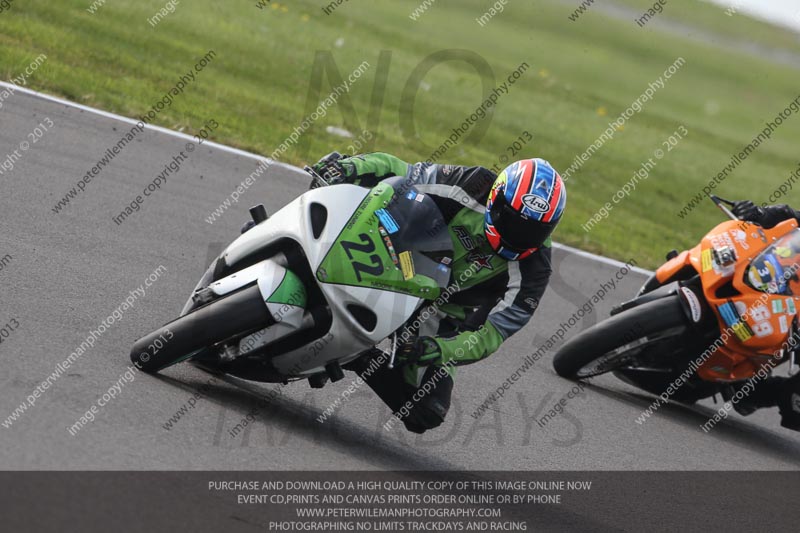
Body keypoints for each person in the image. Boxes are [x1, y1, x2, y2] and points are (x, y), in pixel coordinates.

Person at [310, 152, 566, 433]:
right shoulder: (474, 184)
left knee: (427, 411)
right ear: (497, 198)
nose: (518, 236)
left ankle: (355, 355)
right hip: (398, 260)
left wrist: (436, 348)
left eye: (533, 231)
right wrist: (351, 167)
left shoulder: (535, 270)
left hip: (439, 312)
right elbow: (402, 172)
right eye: (513, 221)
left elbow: (491, 334)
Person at [723, 200, 800, 431]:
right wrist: (762, 213)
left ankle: (753, 389)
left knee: (793, 402)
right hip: (782, 280)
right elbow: (793, 218)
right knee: (734, 258)